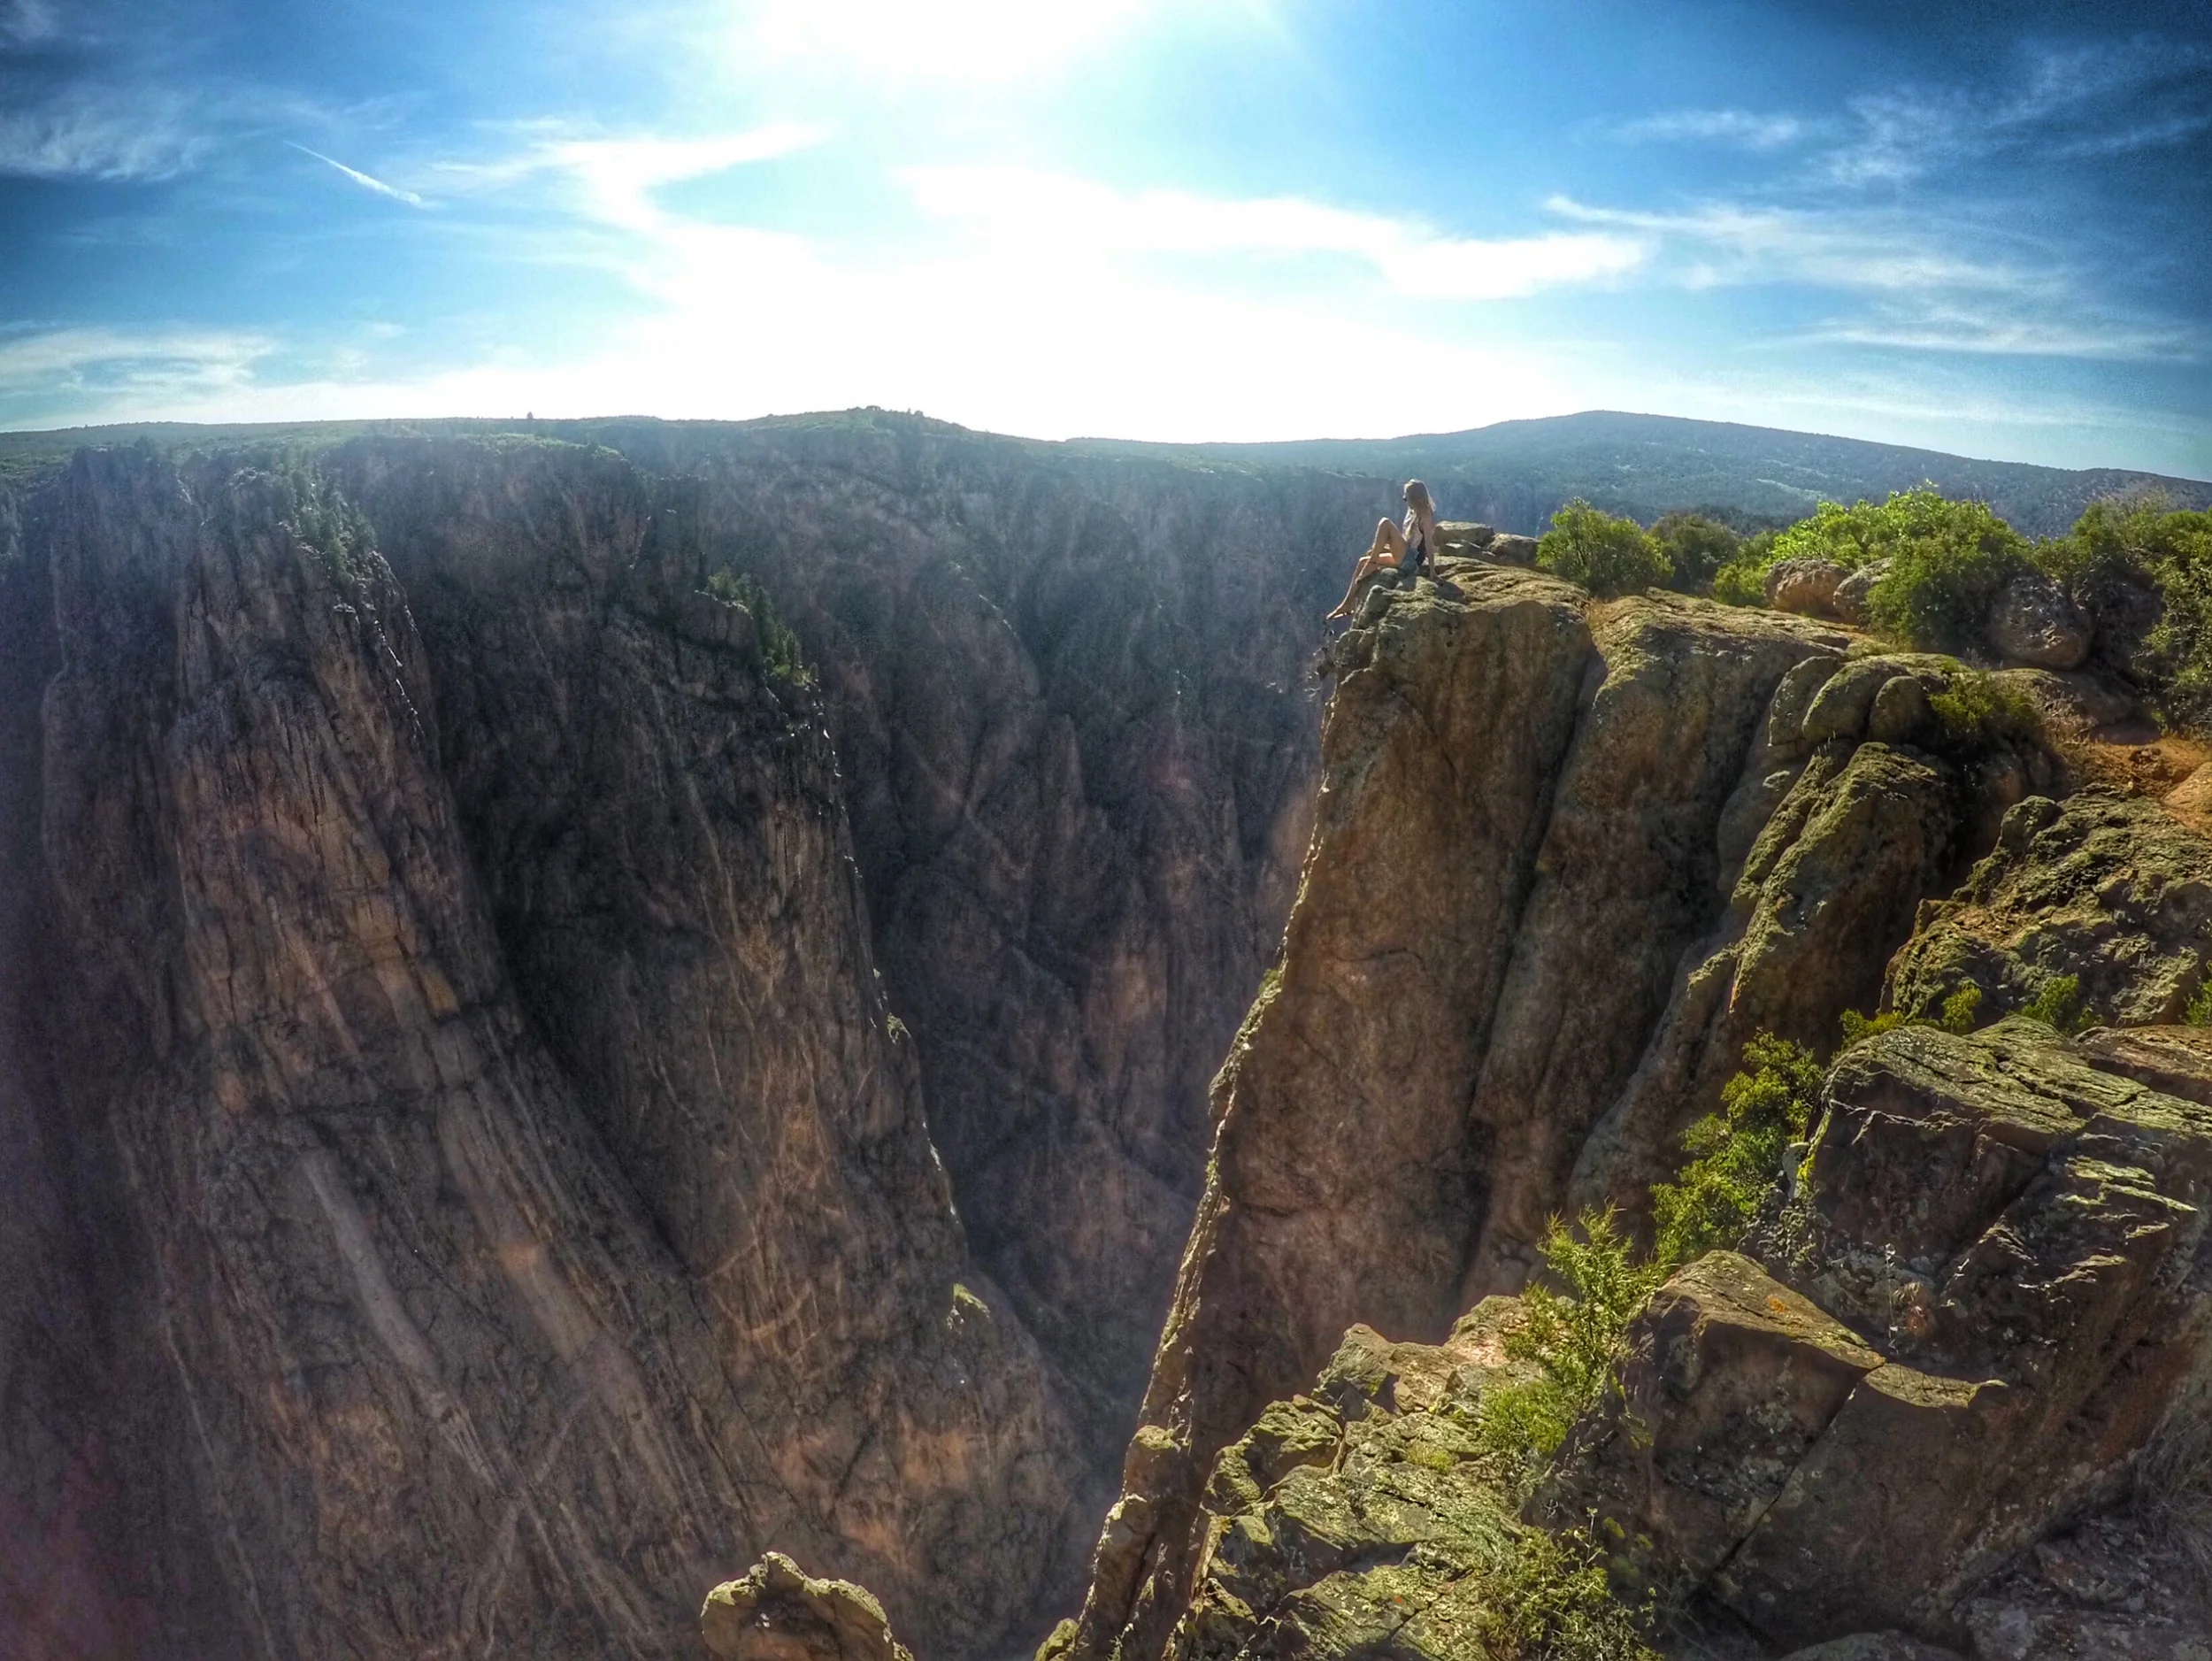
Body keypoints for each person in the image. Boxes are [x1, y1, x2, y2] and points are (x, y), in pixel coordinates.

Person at [1327, 480, 1439, 620]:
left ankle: (1373, 561)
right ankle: (1347, 604)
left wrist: (1433, 572)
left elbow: (1428, 543)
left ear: (1414, 497)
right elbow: (1407, 540)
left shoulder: (1425, 516)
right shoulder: (1413, 512)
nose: (1405, 500)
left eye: (1406, 497)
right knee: (1363, 561)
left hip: (1411, 561)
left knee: (1385, 523)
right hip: (1404, 555)